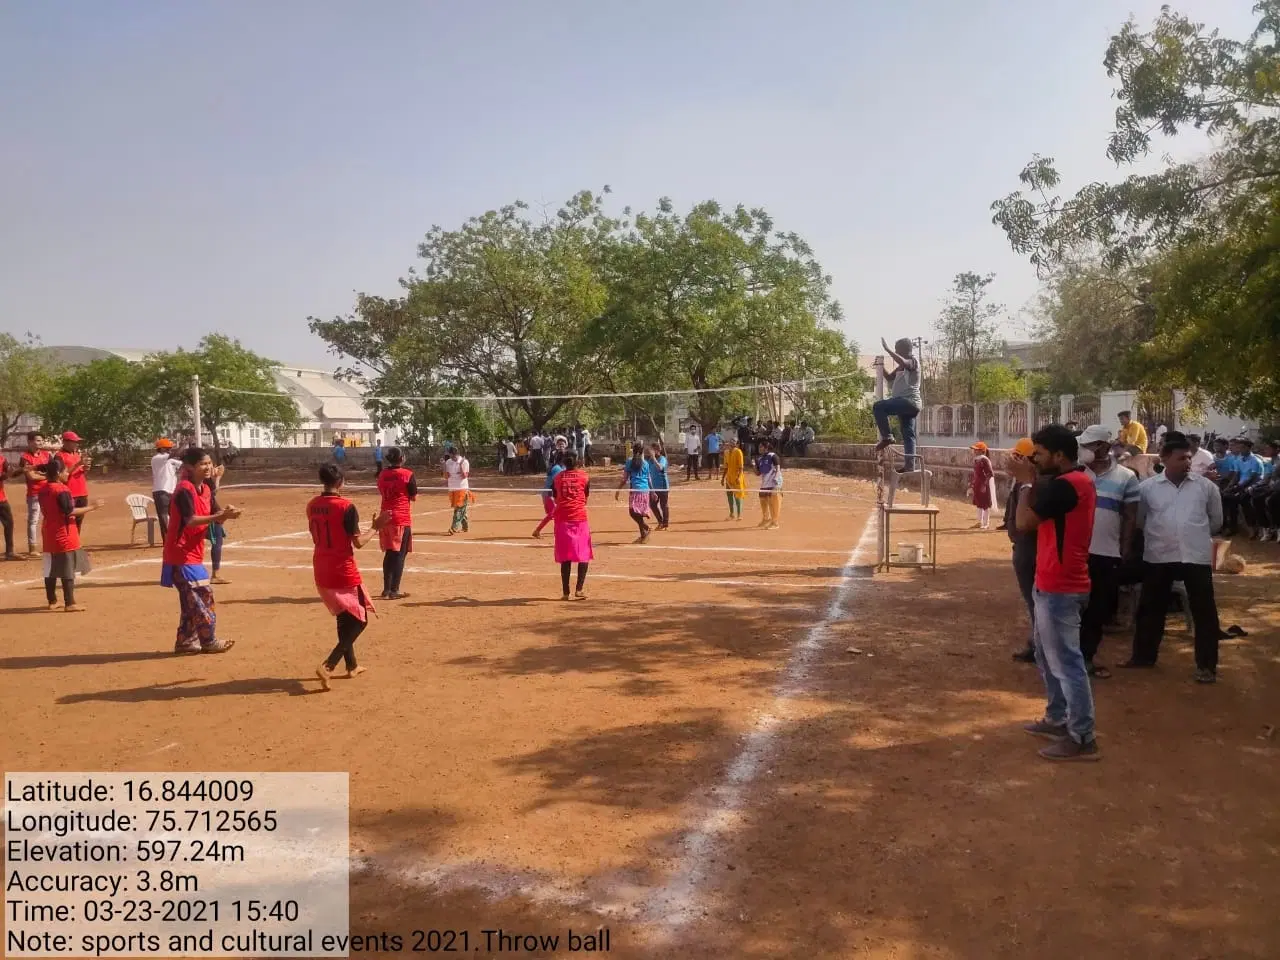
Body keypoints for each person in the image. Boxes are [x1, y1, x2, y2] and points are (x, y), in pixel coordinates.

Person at [1010, 423, 1099, 762]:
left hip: (1062, 586)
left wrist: (1023, 483)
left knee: (1067, 663)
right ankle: (1058, 717)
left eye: (1040, 454)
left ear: (1059, 455)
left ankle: (1082, 736)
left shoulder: (1068, 485)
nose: (1034, 459)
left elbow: (1023, 523)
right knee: (1048, 658)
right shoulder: (1068, 482)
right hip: (1050, 582)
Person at [1124, 432, 1224, 683]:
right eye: (1181, 458)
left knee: (1204, 612)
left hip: (1196, 556)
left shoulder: (1206, 487)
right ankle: (1143, 657)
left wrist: (1193, 534)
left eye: (1189, 458)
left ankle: (1206, 666)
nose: (1187, 462)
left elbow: (1216, 521)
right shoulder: (1147, 489)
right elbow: (1140, 521)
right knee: (1151, 608)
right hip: (1159, 555)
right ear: (1165, 459)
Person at [1076, 425, 1140, 680]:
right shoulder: (1076, 473)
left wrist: (1124, 549)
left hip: (1106, 553)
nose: (1084, 449)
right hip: (1075, 552)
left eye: (1089, 445)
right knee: (1072, 608)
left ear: (1103, 446)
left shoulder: (1126, 477)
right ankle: (1067, 657)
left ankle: (1086, 657)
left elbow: (1130, 517)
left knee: (1097, 609)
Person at [161, 447, 239, 655]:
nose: (208, 467)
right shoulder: (184, 490)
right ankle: (209, 640)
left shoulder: (205, 489)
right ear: (189, 467)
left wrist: (227, 514)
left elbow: (217, 516)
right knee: (202, 596)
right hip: (180, 555)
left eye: (209, 463)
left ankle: (185, 643)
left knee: (191, 603)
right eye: (203, 464)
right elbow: (191, 521)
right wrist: (219, 516)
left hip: (193, 555)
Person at [308, 464, 379, 691]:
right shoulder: (346, 507)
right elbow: (358, 542)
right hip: (342, 569)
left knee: (343, 616)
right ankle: (329, 664)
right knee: (360, 620)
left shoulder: (312, 505)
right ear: (341, 482)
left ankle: (352, 665)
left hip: (321, 566)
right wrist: (375, 528)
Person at [37, 457, 102, 612]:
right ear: (58, 473)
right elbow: (69, 511)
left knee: (50, 568)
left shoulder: (43, 489)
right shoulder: (62, 490)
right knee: (68, 569)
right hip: (64, 533)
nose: (67, 473)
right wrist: (92, 507)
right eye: (65, 471)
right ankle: (70, 602)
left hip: (48, 531)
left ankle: (52, 600)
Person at [1005, 439, 1039, 664]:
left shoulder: (1031, 485)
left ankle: (1038, 646)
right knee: (1033, 601)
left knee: (1035, 601)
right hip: (1022, 546)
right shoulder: (1021, 483)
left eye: (1016, 457)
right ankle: (1036, 643)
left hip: (1030, 548)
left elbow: (1024, 522)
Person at [872, 337, 922, 468]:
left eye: (897, 350)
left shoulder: (913, 362)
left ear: (904, 350)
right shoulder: (902, 366)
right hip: (906, 404)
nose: (896, 353)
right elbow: (889, 378)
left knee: (878, 407)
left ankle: (887, 437)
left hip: (909, 402)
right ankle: (909, 466)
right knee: (908, 435)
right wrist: (880, 367)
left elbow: (905, 362)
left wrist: (888, 350)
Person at [376, 447, 416, 600]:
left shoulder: (382, 474)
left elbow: (381, 490)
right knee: (399, 554)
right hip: (400, 518)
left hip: (385, 518)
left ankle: (386, 589)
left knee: (389, 553)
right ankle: (395, 590)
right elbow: (413, 496)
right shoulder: (407, 474)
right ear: (401, 458)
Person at [551, 452, 592, 600]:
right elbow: (586, 496)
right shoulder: (584, 477)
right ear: (578, 462)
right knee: (584, 554)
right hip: (579, 518)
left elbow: (555, 497)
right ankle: (579, 589)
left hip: (562, 518)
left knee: (565, 557)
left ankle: (565, 592)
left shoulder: (557, 478)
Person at [1220, 437, 1263, 536]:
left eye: (1243, 448)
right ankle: (1231, 526)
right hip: (1241, 485)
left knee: (1244, 499)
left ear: (1249, 448)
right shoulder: (1239, 460)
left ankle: (1252, 527)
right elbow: (1236, 475)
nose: (1240, 450)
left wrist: (1237, 487)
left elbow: (1252, 478)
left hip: (1254, 485)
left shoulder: (1255, 461)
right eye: (1239, 447)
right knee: (1226, 497)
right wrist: (1229, 487)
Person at [19, 432, 51, 557]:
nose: (40, 443)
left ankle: (49, 544)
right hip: (34, 493)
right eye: (37, 440)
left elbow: (53, 471)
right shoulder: (25, 457)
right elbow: (31, 477)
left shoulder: (46, 455)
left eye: (41, 440)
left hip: (48, 491)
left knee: (49, 519)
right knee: (33, 520)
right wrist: (47, 476)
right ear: (30, 442)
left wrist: (42, 475)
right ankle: (32, 548)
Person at [615, 443, 653, 543]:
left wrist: (618, 490)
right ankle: (643, 535)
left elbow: (624, 479)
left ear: (633, 451)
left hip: (636, 490)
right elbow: (649, 478)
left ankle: (646, 527)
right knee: (638, 513)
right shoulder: (646, 463)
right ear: (642, 452)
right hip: (645, 491)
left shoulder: (629, 462)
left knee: (633, 512)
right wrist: (652, 491)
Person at [57, 432, 92, 532]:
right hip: (69, 493)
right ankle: (69, 541)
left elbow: (80, 472)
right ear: (66, 442)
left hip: (82, 492)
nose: (77, 444)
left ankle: (76, 541)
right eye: (74, 442)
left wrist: (85, 469)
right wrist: (78, 464)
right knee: (69, 521)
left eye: (77, 442)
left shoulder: (76, 454)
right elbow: (62, 476)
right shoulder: (59, 456)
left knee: (79, 521)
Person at [150, 439, 181, 540]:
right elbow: (173, 455)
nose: (170, 450)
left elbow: (183, 465)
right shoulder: (157, 458)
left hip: (171, 491)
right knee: (163, 516)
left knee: (175, 515)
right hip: (161, 491)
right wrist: (184, 444)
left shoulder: (170, 461)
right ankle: (167, 540)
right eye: (168, 448)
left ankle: (174, 537)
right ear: (162, 449)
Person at [531, 449, 566, 538]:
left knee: (556, 514)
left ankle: (558, 531)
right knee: (552, 514)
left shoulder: (562, 467)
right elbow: (556, 482)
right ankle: (537, 531)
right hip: (549, 493)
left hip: (552, 493)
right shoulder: (557, 468)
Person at [206, 462, 229, 584]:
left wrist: (216, 478)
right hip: (208, 516)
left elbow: (213, 493)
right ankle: (215, 574)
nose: (211, 467)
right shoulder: (202, 479)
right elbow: (212, 493)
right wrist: (217, 478)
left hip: (210, 514)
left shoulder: (201, 479)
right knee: (217, 542)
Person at [443, 446, 472, 535]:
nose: (451, 457)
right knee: (459, 508)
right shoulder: (448, 462)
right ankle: (465, 526)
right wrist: (443, 465)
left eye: (452, 455)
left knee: (459, 509)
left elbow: (464, 476)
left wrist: (460, 466)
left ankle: (454, 528)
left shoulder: (464, 462)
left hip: (462, 488)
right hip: (452, 488)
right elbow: (446, 476)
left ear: (456, 454)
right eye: (450, 455)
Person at [969, 441, 996, 529]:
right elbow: (975, 474)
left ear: (981, 451)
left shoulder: (984, 460)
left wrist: (984, 485)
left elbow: (990, 473)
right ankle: (979, 522)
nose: (974, 451)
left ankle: (986, 523)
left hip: (983, 484)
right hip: (978, 484)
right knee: (979, 503)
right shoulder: (977, 460)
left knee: (985, 504)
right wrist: (972, 485)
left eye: (976, 450)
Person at [757, 439, 783, 530]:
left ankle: (775, 522)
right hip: (765, 483)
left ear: (766, 448)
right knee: (762, 500)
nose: (759, 448)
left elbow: (778, 469)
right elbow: (758, 473)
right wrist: (753, 465)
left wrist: (776, 479)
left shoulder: (773, 456)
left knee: (773, 503)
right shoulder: (759, 459)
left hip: (774, 483)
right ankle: (766, 519)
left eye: (761, 447)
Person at [722, 436, 746, 521]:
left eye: (734, 441)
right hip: (729, 477)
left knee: (737, 496)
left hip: (737, 477)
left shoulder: (738, 452)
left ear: (737, 444)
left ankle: (739, 515)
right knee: (729, 495)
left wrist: (739, 477)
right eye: (731, 441)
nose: (732, 442)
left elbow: (741, 467)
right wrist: (723, 478)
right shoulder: (726, 452)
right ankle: (731, 514)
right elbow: (726, 466)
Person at [648, 440, 670, 530]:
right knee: (652, 504)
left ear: (657, 450)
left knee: (663, 505)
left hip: (662, 485)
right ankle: (660, 521)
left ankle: (665, 523)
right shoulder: (649, 461)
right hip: (654, 487)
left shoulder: (662, 459)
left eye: (652, 450)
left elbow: (660, 467)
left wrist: (654, 458)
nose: (650, 452)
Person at [0, 451, 13, 560]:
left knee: (9, 523)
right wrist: (6, 474)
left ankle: (10, 551)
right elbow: (5, 475)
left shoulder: (2, 459)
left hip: (1, 498)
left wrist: (22, 470)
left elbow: (9, 471)